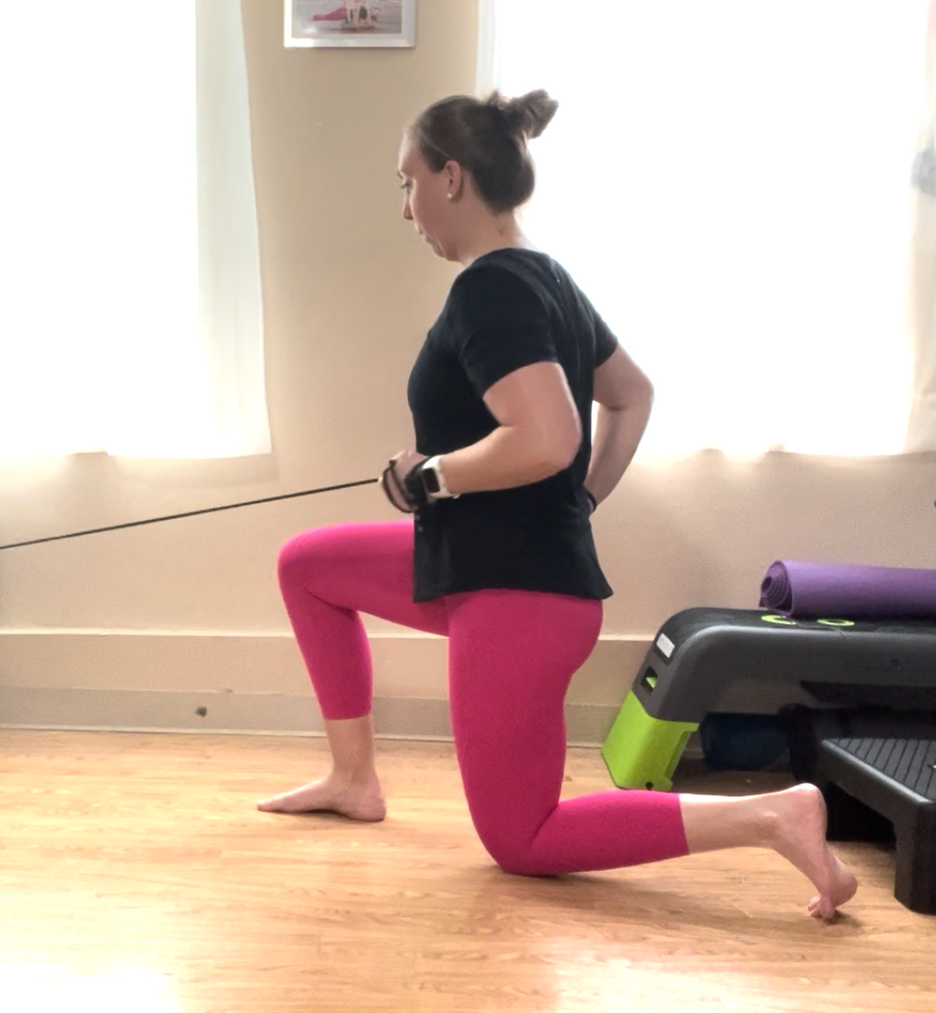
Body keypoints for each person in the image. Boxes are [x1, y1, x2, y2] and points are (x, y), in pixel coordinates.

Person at [257, 88, 858, 920]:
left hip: (515, 599)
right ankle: (354, 778)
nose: (405, 208)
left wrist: (431, 476)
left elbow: (544, 435)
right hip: (483, 566)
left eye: (408, 183)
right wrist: (578, 501)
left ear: (453, 177)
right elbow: (632, 395)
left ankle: (770, 813)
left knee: (523, 838)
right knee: (310, 566)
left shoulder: (491, 290)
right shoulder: (545, 278)